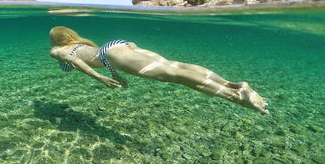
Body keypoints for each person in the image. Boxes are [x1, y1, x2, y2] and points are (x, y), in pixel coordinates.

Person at [49, 26, 269, 115]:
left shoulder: (57, 50)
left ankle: (234, 96)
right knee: (175, 65)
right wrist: (115, 73)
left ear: (57, 40)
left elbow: (75, 62)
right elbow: (98, 56)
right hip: (120, 45)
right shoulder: (82, 44)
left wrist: (102, 78)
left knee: (174, 76)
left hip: (111, 55)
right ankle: (234, 85)